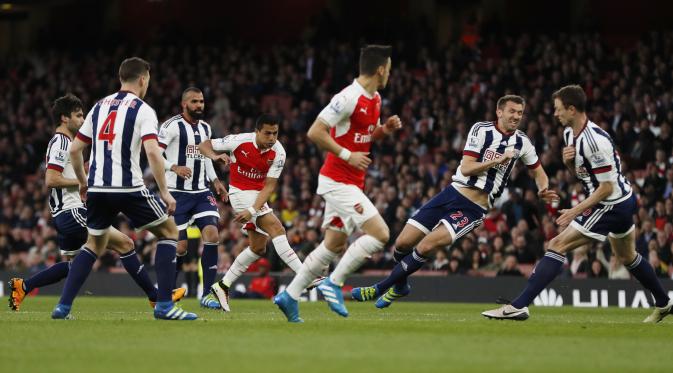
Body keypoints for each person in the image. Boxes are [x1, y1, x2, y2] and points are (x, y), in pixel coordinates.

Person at [482, 85, 673, 322]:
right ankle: (664, 303)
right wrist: (569, 164)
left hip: (610, 204)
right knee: (628, 257)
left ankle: (519, 306)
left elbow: (606, 188)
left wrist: (575, 210)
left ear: (572, 109)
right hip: (622, 200)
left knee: (556, 244)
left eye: (558, 109)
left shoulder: (594, 141)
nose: (555, 114)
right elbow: (585, 177)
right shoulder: (569, 135)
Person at [351, 94, 557, 309]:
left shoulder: (522, 142)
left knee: (426, 245)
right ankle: (401, 286)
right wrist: (497, 159)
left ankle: (378, 288)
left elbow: (539, 172)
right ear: (499, 112)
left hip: (474, 208)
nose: (516, 116)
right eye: (512, 111)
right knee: (402, 243)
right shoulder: (481, 130)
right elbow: (467, 167)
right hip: (451, 193)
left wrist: (543, 188)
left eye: (520, 113)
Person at [8, 94, 184, 311]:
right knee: (126, 244)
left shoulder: (65, 143)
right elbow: (51, 179)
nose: (82, 121)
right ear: (64, 118)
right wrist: (85, 183)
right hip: (72, 211)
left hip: (64, 214)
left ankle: (24, 285)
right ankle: (155, 296)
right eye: (78, 116)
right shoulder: (62, 142)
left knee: (75, 266)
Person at [55, 57, 197, 320]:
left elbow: (75, 149)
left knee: (94, 245)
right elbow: (153, 153)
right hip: (128, 186)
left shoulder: (98, 107)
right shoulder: (143, 109)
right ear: (143, 79)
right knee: (168, 232)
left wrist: (84, 183)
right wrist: (165, 191)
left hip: (97, 188)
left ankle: (62, 307)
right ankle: (164, 305)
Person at [274, 44, 403, 322]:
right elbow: (315, 131)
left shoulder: (376, 98)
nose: (390, 74)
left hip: (352, 181)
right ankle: (334, 283)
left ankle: (290, 295)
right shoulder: (347, 97)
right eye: (389, 69)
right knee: (380, 234)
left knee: (332, 245)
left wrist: (384, 131)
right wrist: (347, 155)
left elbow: (364, 138)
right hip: (336, 181)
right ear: (380, 69)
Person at [199, 114, 317, 312]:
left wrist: (253, 210)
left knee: (258, 248)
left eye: (275, 133)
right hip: (238, 193)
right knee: (277, 228)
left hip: (257, 198)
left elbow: (269, 186)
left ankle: (222, 286)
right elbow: (204, 145)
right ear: (257, 132)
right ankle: (305, 275)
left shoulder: (279, 152)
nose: (272, 138)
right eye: (267, 133)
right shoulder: (239, 141)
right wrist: (215, 156)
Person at [158, 87, 227, 309]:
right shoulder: (170, 127)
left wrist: (215, 180)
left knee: (212, 234)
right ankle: (168, 291)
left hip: (200, 191)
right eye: (195, 102)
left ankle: (207, 294)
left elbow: (205, 157)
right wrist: (174, 166)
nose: (200, 105)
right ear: (184, 104)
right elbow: (154, 155)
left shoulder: (206, 128)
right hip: (176, 192)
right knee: (180, 248)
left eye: (202, 101)